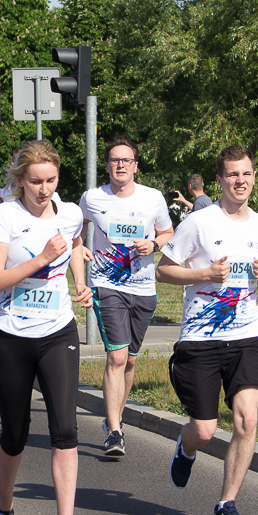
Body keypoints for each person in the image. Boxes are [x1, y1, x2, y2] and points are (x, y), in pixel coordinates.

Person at [156, 145, 258, 515]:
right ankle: (186, 445)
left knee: (247, 420)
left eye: (246, 173)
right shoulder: (198, 223)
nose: (240, 181)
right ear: (220, 180)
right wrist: (204, 275)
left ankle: (226, 504)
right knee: (205, 430)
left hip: (247, 334)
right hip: (201, 338)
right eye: (232, 174)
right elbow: (163, 271)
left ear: (254, 177)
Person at [0, 139, 93, 515]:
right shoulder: (6, 215)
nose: (44, 190)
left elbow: (75, 244)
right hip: (11, 335)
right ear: (20, 180)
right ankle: (5, 507)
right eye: (35, 182)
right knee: (15, 434)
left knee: (65, 429)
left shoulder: (70, 213)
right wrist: (42, 257)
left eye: (51, 180)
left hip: (57, 332)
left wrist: (79, 280)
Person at [79, 135, 174, 457]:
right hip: (107, 285)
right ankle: (114, 431)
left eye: (126, 160)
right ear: (107, 165)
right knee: (117, 357)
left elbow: (168, 232)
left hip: (143, 287)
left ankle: (115, 420)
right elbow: (74, 226)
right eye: (114, 160)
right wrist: (79, 247)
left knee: (130, 359)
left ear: (135, 166)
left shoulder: (153, 198)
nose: (120, 165)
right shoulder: (93, 197)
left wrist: (154, 245)